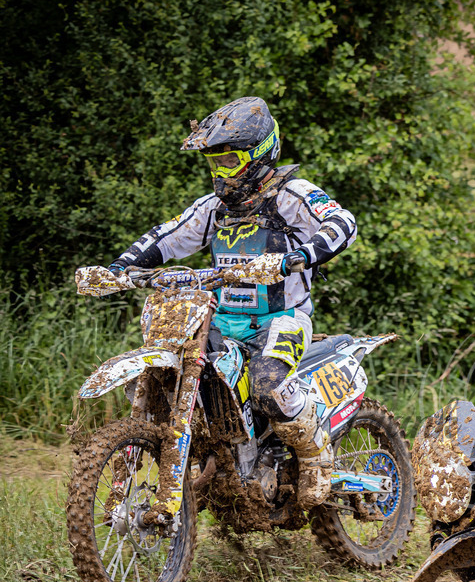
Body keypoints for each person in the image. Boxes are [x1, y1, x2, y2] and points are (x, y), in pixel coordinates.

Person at [109, 96, 357, 510]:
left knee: (267, 383)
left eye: (229, 162)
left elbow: (341, 223)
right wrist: (120, 267)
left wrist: (298, 257)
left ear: (259, 155)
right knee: (180, 367)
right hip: (222, 320)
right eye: (215, 164)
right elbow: (169, 236)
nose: (220, 173)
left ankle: (316, 458)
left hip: (282, 318)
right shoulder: (215, 209)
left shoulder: (290, 195)